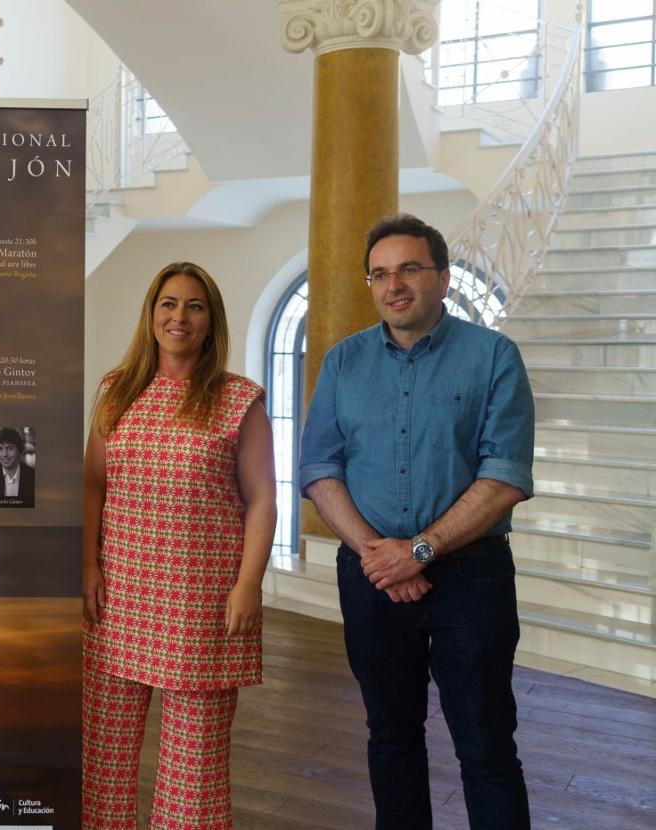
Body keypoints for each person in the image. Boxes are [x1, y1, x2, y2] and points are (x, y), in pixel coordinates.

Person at [300, 213, 535, 829]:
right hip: (371, 577)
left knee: (485, 744)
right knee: (390, 736)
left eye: (409, 268)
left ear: (443, 277)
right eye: (379, 273)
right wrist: (382, 554)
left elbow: (505, 474)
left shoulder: (492, 357)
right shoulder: (343, 363)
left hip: (471, 580)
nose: (393, 284)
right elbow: (320, 469)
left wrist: (421, 551)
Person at [81, 261, 276, 829]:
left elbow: (263, 499)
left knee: (195, 765)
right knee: (104, 752)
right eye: (168, 303)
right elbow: (94, 483)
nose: (179, 316)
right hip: (118, 594)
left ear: (211, 321)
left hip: (201, 600)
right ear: (151, 314)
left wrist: (248, 584)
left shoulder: (239, 400)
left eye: (194, 306)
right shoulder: (117, 390)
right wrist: (88, 564)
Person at [0, 427, 35, 507]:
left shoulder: (32, 476)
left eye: (10, 448)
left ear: (19, 450)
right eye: (0, 448)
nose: (5, 454)